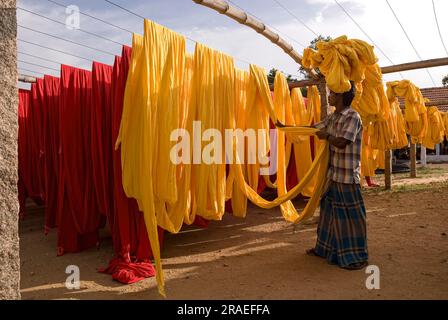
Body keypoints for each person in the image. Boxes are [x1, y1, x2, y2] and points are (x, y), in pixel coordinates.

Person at [306, 82, 369, 270]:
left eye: (332, 93)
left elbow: (342, 142)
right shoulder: (333, 117)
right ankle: (324, 249)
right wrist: (286, 128)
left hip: (347, 177)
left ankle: (355, 255)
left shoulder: (353, 116)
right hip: (333, 175)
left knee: (351, 217)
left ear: (341, 96)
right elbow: (314, 129)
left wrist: (325, 136)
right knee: (328, 214)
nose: (329, 96)